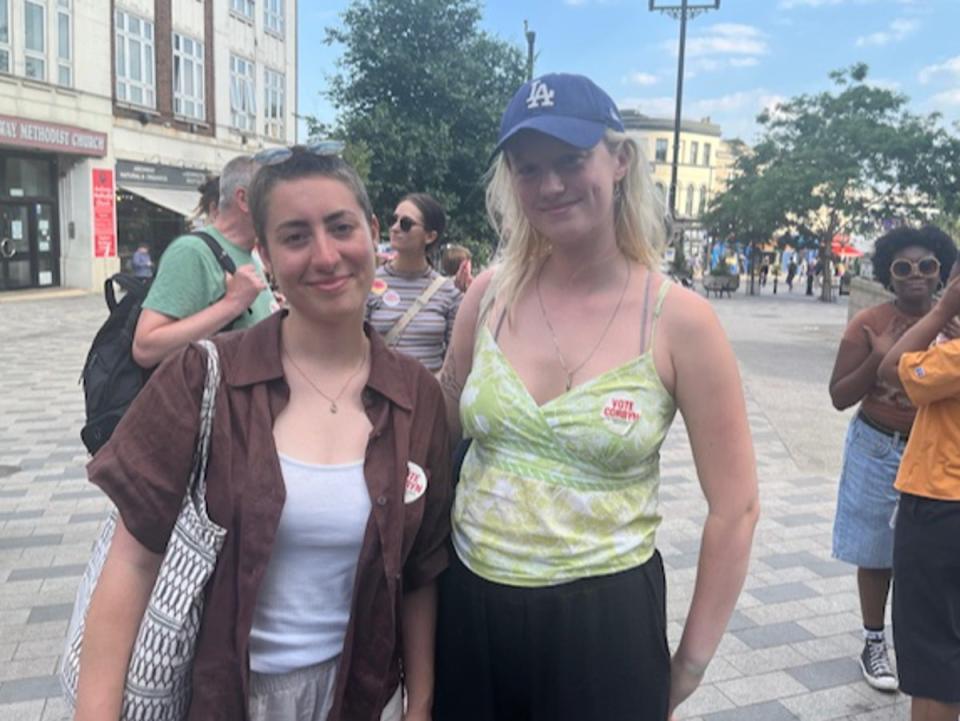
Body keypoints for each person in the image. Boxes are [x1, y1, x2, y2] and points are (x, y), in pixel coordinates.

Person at [73, 147, 452, 721]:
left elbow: (422, 571)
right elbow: (130, 562)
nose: (326, 256)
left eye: (341, 227)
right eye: (296, 237)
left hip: (359, 692)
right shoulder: (203, 378)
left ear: (372, 233)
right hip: (224, 695)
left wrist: (420, 705)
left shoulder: (415, 395)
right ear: (266, 257)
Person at [434, 72, 759, 721]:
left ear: (619, 161)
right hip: (470, 603)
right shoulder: (488, 297)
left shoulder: (679, 320)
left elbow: (736, 507)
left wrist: (688, 665)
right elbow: (436, 428)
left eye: (570, 159)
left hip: (604, 623)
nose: (550, 184)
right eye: (529, 169)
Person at [828, 225, 957, 692]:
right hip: (877, 443)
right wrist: (875, 359)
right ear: (888, 273)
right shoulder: (871, 322)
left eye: (928, 266)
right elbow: (839, 395)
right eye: (903, 268)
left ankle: (915, 636)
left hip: (933, 452)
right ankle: (874, 639)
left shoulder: (953, 326)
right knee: (875, 551)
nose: (916, 276)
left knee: (921, 554)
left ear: (942, 269)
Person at [878, 251, 960, 721]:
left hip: (939, 509)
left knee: (933, 657)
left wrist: (942, 311)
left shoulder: (952, 358)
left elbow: (892, 368)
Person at [132, 156, 275, 369]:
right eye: (271, 195)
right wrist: (232, 304)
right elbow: (145, 348)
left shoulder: (249, 253)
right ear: (244, 199)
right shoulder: (192, 252)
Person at [367, 193, 462, 373]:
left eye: (406, 224)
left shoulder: (449, 293)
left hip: (427, 395)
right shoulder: (368, 285)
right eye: (393, 220)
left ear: (430, 236)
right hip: (380, 395)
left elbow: (454, 361)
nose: (395, 228)